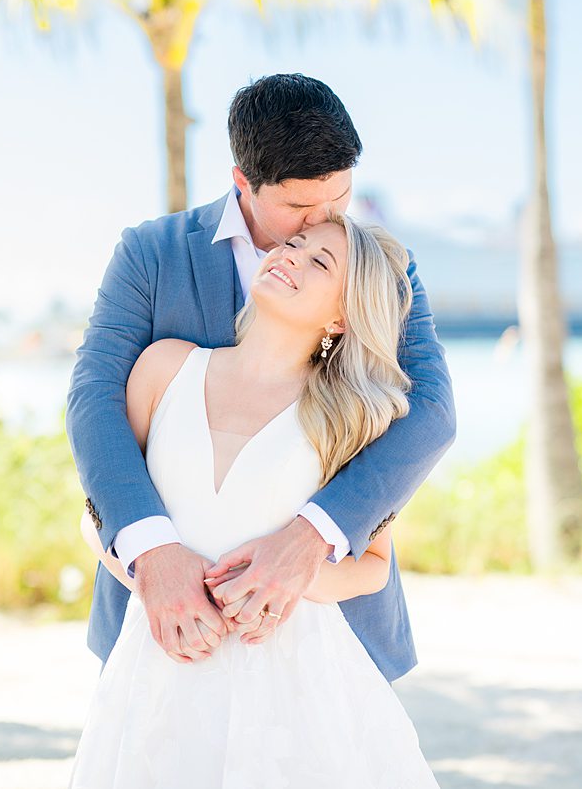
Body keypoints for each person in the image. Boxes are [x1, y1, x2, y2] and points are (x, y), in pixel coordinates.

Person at [66, 73, 455, 684]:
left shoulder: (376, 267)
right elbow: (95, 402)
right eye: (301, 208)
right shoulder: (151, 253)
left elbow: (431, 412)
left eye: (340, 198)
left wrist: (310, 539)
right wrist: (151, 553)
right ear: (243, 181)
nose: (326, 220)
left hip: (322, 636)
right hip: (166, 626)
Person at [70, 211, 441, 787]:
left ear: (342, 317)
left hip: (295, 686)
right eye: (292, 243)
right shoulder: (164, 368)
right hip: (159, 671)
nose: (289, 254)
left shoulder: (351, 417)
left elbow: (372, 567)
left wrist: (286, 580)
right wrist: (157, 582)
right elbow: (99, 515)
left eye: (319, 261)